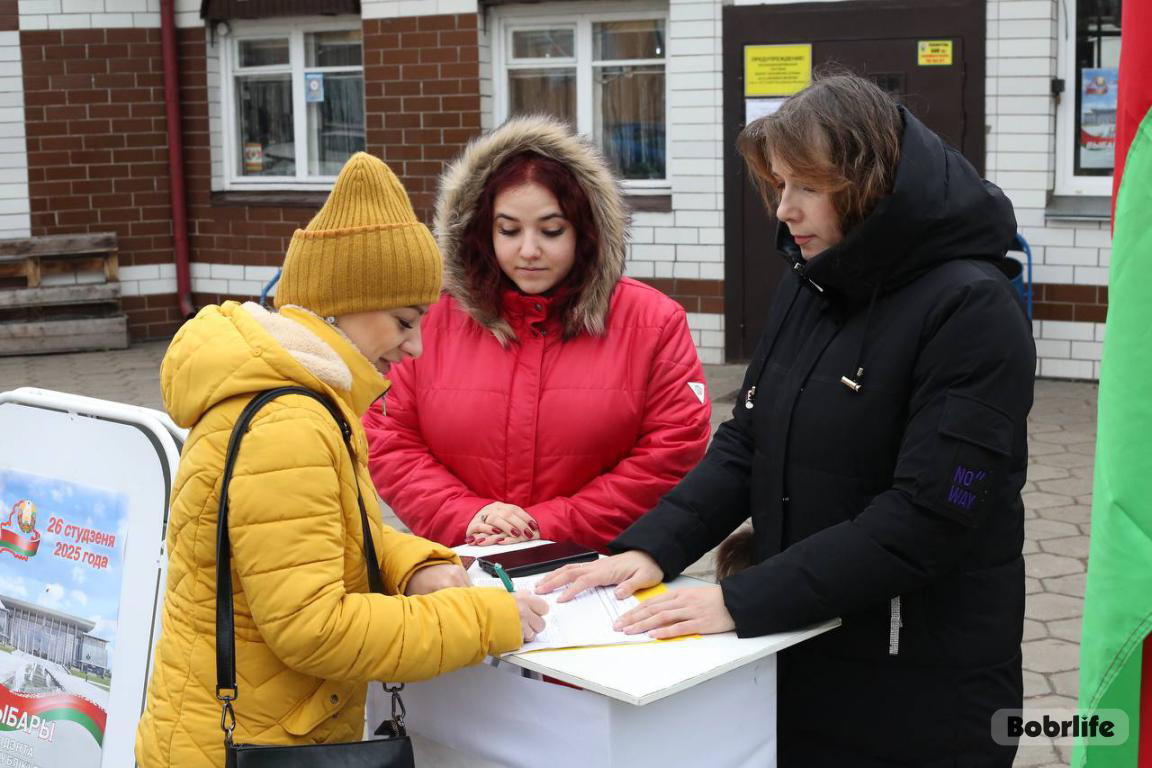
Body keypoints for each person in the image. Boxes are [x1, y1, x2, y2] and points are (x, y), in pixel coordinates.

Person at [538, 74, 1035, 766]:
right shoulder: (816, 281)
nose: (783, 210)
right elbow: (747, 441)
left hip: (920, 678)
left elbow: (934, 514)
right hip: (805, 645)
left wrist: (743, 600)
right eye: (778, 185)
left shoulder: (971, 308)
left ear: (867, 181)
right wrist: (651, 549)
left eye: (806, 187)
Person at [135, 153, 547, 768]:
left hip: (246, 733)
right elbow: (315, 628)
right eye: (404, 321)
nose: (416, 346)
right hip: (244, 748)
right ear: (339, 307)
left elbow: (322, 537)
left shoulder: (304, 396)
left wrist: (413, 563)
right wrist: (482, 619)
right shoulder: (291, 422)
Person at [364, 116, 712, 551]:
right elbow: (389, 438)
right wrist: (467, 516)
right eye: (508, 230)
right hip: (463, 567)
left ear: (586, 232)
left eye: (551, 231)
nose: (528, 251)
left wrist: (545, 526)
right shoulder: (432, 319)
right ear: (480, 231)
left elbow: (672, 450)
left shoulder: (653, 321)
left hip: (601, 571)